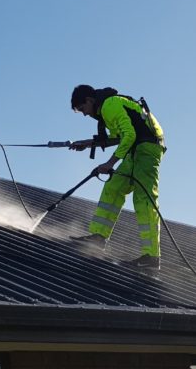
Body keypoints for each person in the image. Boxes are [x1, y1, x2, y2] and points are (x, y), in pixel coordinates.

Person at [69, 84, 165, 269]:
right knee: (113, 187)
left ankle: (152, 258)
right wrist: (88, 144)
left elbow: (129, 135)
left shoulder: (110, 105)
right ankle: (97, 237)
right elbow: (119, 138)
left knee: (144, 199)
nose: (84, 114)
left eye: (82, 109)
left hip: (147, 149)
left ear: (89, 100)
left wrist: (109, 163)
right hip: (135, 150)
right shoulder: (106, 108)